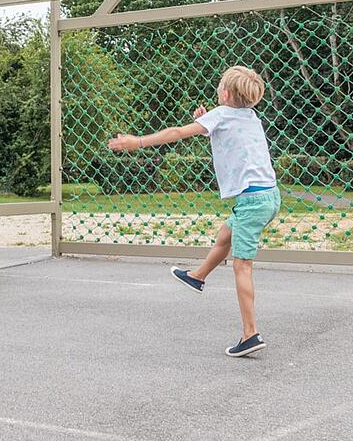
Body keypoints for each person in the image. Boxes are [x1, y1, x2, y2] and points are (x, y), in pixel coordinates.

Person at [108, 65, 280, 357]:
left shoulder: (221, 114)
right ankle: (198, 276)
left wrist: (136, 142)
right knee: (225, 236)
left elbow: (177, 132)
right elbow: (231, 139)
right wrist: (206, 123)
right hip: (268, 197)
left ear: (224, 93)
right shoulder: (251, 117)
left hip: (252, 201)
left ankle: (250, 333)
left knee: (242, 266)